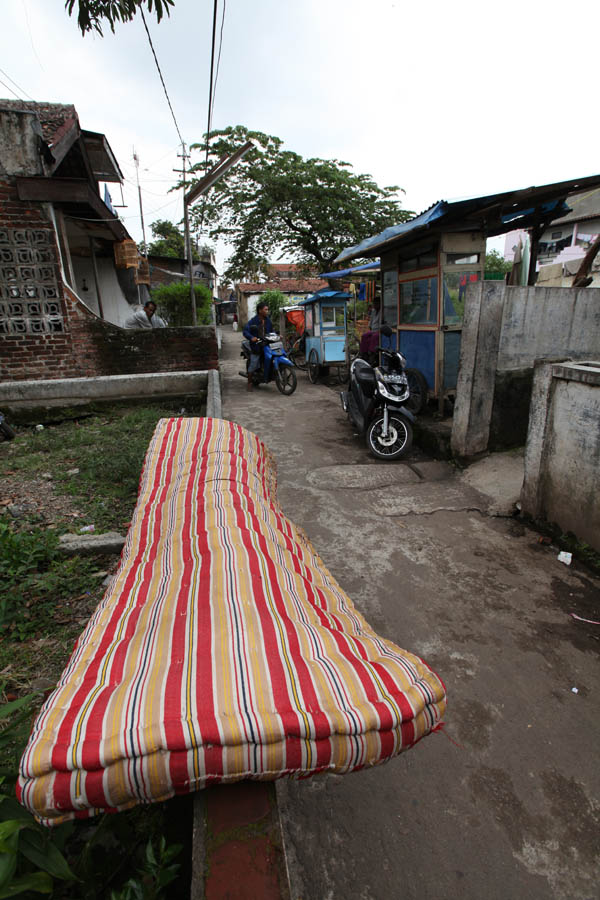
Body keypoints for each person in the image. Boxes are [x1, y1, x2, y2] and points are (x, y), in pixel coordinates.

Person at [242, 300, 273, 391]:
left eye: (267, 310)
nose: (267, 311)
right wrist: (251, 337)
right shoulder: (253, 321)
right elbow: (245, 331)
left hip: (266, 344)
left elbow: (271, 331)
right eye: (265, 310)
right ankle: (249, 383)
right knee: (254, 362)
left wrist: (277, 335)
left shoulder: (268, 321)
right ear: (260, 310)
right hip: (256, 345)